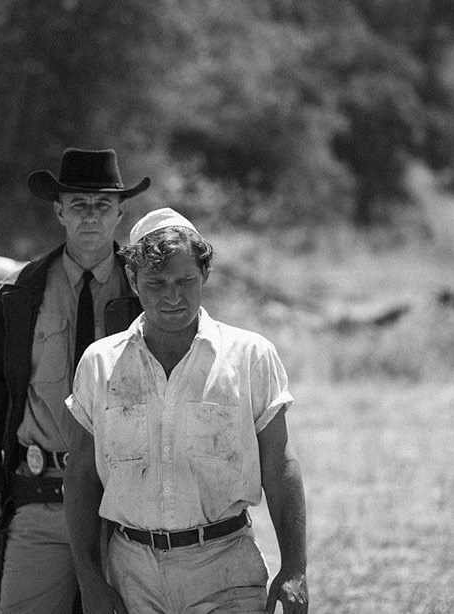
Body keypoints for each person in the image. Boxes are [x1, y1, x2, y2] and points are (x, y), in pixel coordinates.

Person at [64, 207, 309, 614]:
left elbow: (280, 465)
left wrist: (295, 567)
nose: (173, 296)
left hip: (225, 568)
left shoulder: (249, 356)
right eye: (156, 283)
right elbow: (81, 476)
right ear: (133, 280)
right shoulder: (99, 363)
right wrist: (90, 580)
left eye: (185, 281)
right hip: (131, 576)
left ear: (205, 274)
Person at [0, 148, 151, 614]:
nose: (91, 216)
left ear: (121, 213)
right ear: (59, 211)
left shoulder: (146, 291)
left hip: (125, 505)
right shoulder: (20, 293)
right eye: (79, 205)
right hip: (40, 496)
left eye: (103, 205)